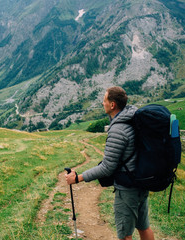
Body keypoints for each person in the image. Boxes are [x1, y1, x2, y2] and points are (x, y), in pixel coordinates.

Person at [65, 86, 155, 240]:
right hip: (141, 182)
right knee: (143, 227)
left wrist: (78, 178)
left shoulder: (118, 129)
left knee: (125, 234)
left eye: (104, 100)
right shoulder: (132, 119)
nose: (102, 103)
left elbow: (107, 167)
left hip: (128, 190)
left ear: (112, 105)